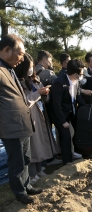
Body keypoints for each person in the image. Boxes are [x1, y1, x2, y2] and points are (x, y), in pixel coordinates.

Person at [0, 34, 42, 204]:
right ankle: (19, 192)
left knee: (25, 159)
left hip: (22, 124)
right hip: (11, 127)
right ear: (7, 50)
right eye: (21, 53)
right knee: (16, 162)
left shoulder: (9, 69)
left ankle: (26, 186)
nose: (22, 58)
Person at [14, 53, 58, 183]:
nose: (32, 69)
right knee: (33, 145)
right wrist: (38, 93)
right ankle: (32, 175)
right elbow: (23, 102)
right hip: (30, 117)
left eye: (32, 66)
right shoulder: (18, 82)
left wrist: (44, 93)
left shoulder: (35, 79)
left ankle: (40, 169)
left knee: (42, 142)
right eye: (30, 66)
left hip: (40, 114)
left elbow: (43, 98)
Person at [49, 59, 86, 165]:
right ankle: (67, 162)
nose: (82, 76)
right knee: (65, 137)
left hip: (71, 111)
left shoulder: (76, 82)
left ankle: (77, 153)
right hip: (60, 114)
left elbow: (78, 97)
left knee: (77, 132)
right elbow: (56, 105)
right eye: (81, 73)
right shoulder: (59, 83)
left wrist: (87, 108)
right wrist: (62, 121)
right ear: (75, 74)